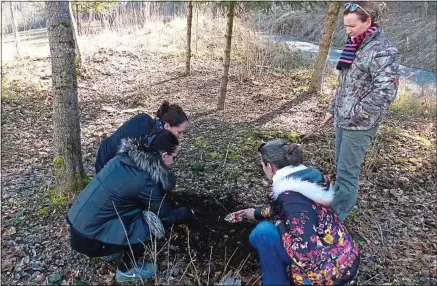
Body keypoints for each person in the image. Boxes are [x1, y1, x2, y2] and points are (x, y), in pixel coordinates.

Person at [67, 129, 194, 283]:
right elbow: (165, 215)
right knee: (150, 222)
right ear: (164, 155)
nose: (174, 161)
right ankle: (126, 270)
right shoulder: (146, 180)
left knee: (134, 209)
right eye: (174, 157)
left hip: (78, 227)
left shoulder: (123, 159)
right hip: (89, 239)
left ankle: (108, 249)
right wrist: (187, 213)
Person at [226, 140, 360, 285]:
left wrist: (279, 225)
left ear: (270, 167)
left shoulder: (292, 200)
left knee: (261, 234)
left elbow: (304, 255)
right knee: (262, 232)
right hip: (344, 259)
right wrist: (256, 213)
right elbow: (292, 209)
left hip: (327, 276)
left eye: (262, 165)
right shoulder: (308, 180)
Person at [324, 2, 399, 220]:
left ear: (368, 21)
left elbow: (386, 92)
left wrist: (355, 112)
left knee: (347, 173)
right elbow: (346, 84)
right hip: (343, 117)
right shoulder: (355, 43)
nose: (348, 31)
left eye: (352, 26)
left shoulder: (382, 50)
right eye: (345, 25)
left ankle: (337, 219)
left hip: (360, 123)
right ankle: (336, 205)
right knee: (340, 166)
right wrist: (333, 108)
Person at [95, 101, 188, 173]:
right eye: (179, 132)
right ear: (167, 126)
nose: (181, 136)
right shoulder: (149, 136)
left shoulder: (149, 124)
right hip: (107, 168)